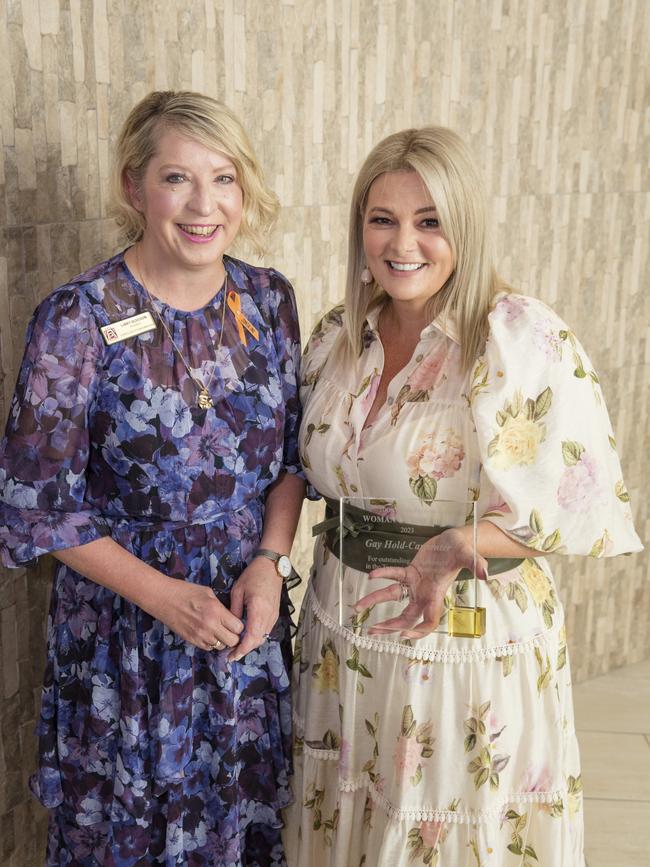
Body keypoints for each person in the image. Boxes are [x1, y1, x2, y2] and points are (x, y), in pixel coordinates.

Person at [284, 127, 642, 866]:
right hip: (342, 632)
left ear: (465, 226)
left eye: (429, 220)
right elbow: (297, 466)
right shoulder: (337, 335)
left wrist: (456, 544)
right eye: (381, 218)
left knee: (445, 833)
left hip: (463, 639)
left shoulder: (512, 336)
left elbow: (584, 504)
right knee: (346, 816)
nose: (402, 242)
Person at [0, 91, 305, 866]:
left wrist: (270, 564)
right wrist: (164, 597)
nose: (205, 205)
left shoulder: (268, 301)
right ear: (134, 187)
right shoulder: (78, 318)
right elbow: (39, 506)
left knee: (240, 832)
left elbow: (291, 460)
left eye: (224, 178)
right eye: (178, 179)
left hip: (244, 625)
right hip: (124, 642)